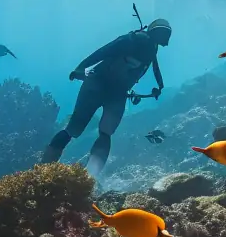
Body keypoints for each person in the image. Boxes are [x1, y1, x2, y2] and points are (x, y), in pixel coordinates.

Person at [43, 18, 170, 176]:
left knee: (76, 129)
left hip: (100, 87)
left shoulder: (147, 47)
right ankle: (88, 176)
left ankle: (47, 169)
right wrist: (81, 68)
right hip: (108, 90)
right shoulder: (133, 42)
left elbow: (104, 52)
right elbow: (103, 52)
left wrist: (159, 86)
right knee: (100, 133)